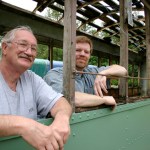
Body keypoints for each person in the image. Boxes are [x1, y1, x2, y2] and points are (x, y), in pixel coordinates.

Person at [0, 26, 72, 150]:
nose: (29, 52)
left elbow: (61, 102)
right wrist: (24, 125)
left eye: (33, 49)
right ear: (5, 48)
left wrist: (62, 119)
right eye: (23, 45)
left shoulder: (32, 78)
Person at [44, 36, 127, 108]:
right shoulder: (54, 75)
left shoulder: (93, 72)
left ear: (89, 55)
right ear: (69, 52)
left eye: (86, 52)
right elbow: (69, 98)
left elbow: (123, 71)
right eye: (78, 50)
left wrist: (104, 73)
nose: (83, 54)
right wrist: (104, 99)